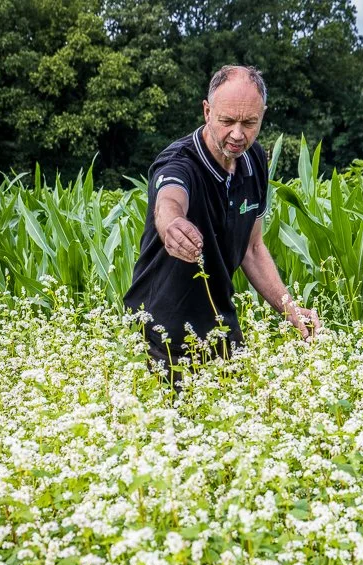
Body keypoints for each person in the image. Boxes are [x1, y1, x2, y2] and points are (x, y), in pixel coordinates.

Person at [123, 64, 321, 380]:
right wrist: (172, 224)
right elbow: (170, 200)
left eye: (249, 122)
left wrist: (289, 309)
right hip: (161, 330)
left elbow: (252, 248)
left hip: (219, 321)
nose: (238, 134)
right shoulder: (179, 162)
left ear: (262, 116)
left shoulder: (255, 159)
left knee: (241, 416)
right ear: (207, 111)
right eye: (227, 121)